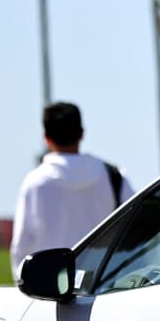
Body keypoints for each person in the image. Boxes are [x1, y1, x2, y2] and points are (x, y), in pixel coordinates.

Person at [10, 101, 131, 276]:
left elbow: (22, 246)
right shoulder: (113, 176)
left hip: (52, 284)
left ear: (46, 138)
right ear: (82, 134)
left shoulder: (35, 183)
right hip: (105, 281)